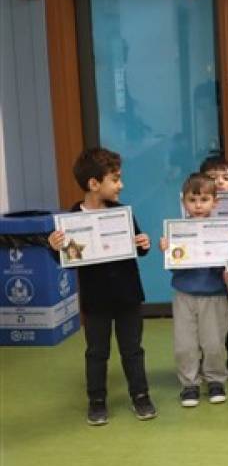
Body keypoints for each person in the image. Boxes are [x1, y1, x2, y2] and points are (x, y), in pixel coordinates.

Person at [47, 147, 155, 425]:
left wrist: (143, 243)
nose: (121, 185)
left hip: (128, 296)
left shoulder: (121, 214)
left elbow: (136, 247)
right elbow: (66, 259)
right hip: (96, 301)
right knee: (97, 352)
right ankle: (97, 401)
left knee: (132, 349)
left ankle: (140, 395)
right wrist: (54, 247)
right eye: (115, 179)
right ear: (94, 184)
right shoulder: (70, 221)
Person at [160, 172, 228, 407]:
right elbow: (174, 267)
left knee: (213, 342)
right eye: (193, 200)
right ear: (184, 202)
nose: (198, 206)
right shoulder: (178, 231)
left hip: (214, 294)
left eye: (204, 200)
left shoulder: (223, 230)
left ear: (215, 202)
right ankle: (189, 383)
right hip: (185, 294)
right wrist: (168, 251)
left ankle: (215, 380)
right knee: (185, 343)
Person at [199, 153, 228, 381]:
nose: (220, 182)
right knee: (206, 320)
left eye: (225, 177)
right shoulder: (194, 209)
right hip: (205, 274)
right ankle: (205, 360)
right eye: (212, 178)